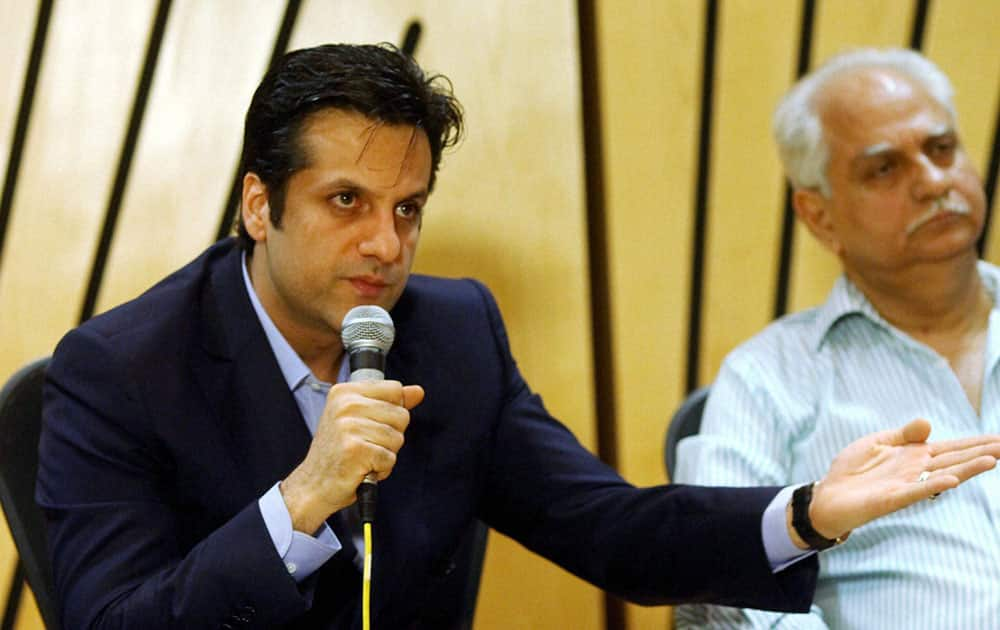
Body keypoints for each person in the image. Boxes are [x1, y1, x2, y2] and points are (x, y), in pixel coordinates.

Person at [36, 43, 1000, 630]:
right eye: (347, 202)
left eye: (409, 208)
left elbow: (614, 532)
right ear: (259, 204)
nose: (386, 243)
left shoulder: (451, 333)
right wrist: (299, 502)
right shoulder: (119, 370)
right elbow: (111, 622)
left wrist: (805, 513)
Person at [674, 48, 1000, 629]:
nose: (932, 181)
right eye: (884, 168)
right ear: (819, 217)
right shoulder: (768, 377)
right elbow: (721, 580)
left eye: (942, 148)